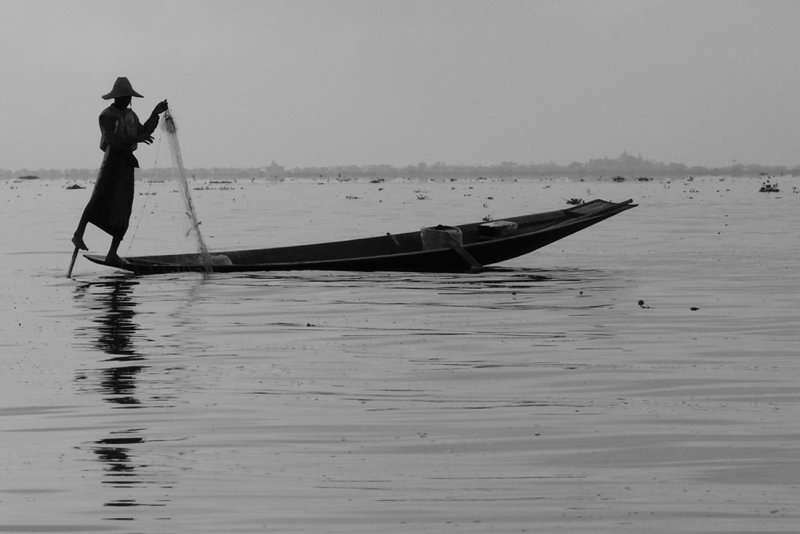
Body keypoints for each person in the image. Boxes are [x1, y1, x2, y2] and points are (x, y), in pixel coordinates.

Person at [72, 77, 169, 264]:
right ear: (116, 97)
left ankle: (112, 253)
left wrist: (155, 113)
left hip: (126, 165)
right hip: (112, 162)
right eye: (123, 97)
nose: (126, 100)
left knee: (124, 207)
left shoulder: (131, 116)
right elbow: (112, 140)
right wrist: (136, 140)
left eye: (127, 97)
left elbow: (142, 132)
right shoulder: (107, 115)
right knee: (99, 199)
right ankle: (78, 234)